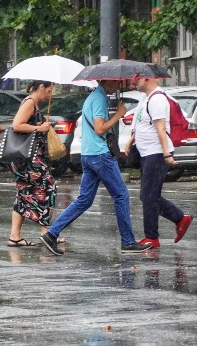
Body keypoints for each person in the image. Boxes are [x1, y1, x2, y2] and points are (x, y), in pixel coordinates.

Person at [39, 80, 151, 255]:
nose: (119, 84)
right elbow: (99, 129)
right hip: (100, 155)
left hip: (88, 155)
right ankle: (128, 242)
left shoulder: (94, 97)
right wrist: (119, 114)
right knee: (121, 195)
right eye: (116, 82)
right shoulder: (98, 98)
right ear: (106, 81)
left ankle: (51, 234)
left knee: (84, 200)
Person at [127, 76, 193, 249]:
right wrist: (130, 142)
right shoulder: (146, 98)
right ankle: (180, 218)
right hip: (148, 152)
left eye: (137, 79)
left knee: (149, 196)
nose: (133, 82)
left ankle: (152, 237)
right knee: (148, 196)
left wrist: (166, 154)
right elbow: (141, 124)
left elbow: (161, 128)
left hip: (156, 153)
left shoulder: (157, 99)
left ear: (147, 79)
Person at [7, 80, 59, 247]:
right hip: (28, 159)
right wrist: (39, 128)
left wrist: (41, 126)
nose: (49, 95)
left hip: (26, 158)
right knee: (48, 187)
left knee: (24, 193)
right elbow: (17, 125)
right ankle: (46, 233)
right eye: (49, 91)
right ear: (41, 87)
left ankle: (15, 236)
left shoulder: (33, 104)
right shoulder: (29, 102)